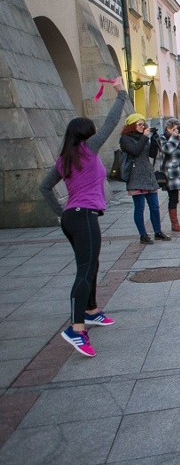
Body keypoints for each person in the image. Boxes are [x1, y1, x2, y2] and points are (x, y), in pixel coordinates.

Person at [39, 78, 126, 357]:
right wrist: (121, 92)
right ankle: (75, 329)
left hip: (73, 218)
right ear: (86, 134)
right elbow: (113, 121)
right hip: (83, 217)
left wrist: (61, 213)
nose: (96, 131)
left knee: (91, 264)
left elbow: (44, 187)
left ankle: (91, 311)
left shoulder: (65, 157)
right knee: (85, 271)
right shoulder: (89, 150)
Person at [120, 114, 171, 244]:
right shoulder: (125, 139)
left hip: (148, 176)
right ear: (132, 125)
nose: (143, 127)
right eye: (140, 124)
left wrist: (154, 140)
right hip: (135, 177)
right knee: (140, 208)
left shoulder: (145, 138)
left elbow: (152, 154)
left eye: (144, 124)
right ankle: (143, 235)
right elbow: (135, 151)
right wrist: (145, 137)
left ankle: (157, 232)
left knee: (154, 206)